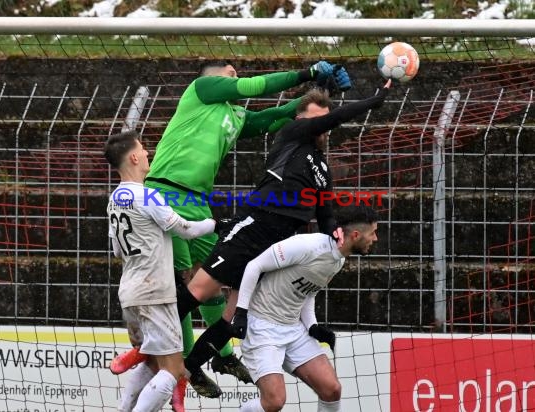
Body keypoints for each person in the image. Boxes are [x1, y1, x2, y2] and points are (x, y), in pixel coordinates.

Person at [109, 79, 391, 394]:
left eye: (321, 123)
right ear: (301, 121)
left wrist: (333, 233)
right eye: (313, 120)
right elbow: (330, 119)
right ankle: (145, 347)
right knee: (198, 292)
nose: (319, 128)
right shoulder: (292, 136)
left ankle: (185, 374)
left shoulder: (323, 169)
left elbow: (325, 213)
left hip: (274, 246)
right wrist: (372, 101)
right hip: (249, 231)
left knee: (230, 319)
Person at [104, 131, 216, 412]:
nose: (146, 153)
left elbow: (117, 250)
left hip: (129, 292)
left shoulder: (114, 199)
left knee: (153, 362)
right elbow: (184, 229)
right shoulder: (147, 195)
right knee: (174, 367)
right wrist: (216, 224)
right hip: (155, 292)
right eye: (142, 149)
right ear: (133, 157)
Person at [235, 205, 379, 412]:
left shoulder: (338, 260)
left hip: (293, 329)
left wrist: (312, 326)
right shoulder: (307, 246)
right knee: (274, 402)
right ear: (356, 235)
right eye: (373, 233)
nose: (375, 239)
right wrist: (241, 312)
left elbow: (308, 292)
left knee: (332, 389)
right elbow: (254, 266)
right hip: (262, 327)